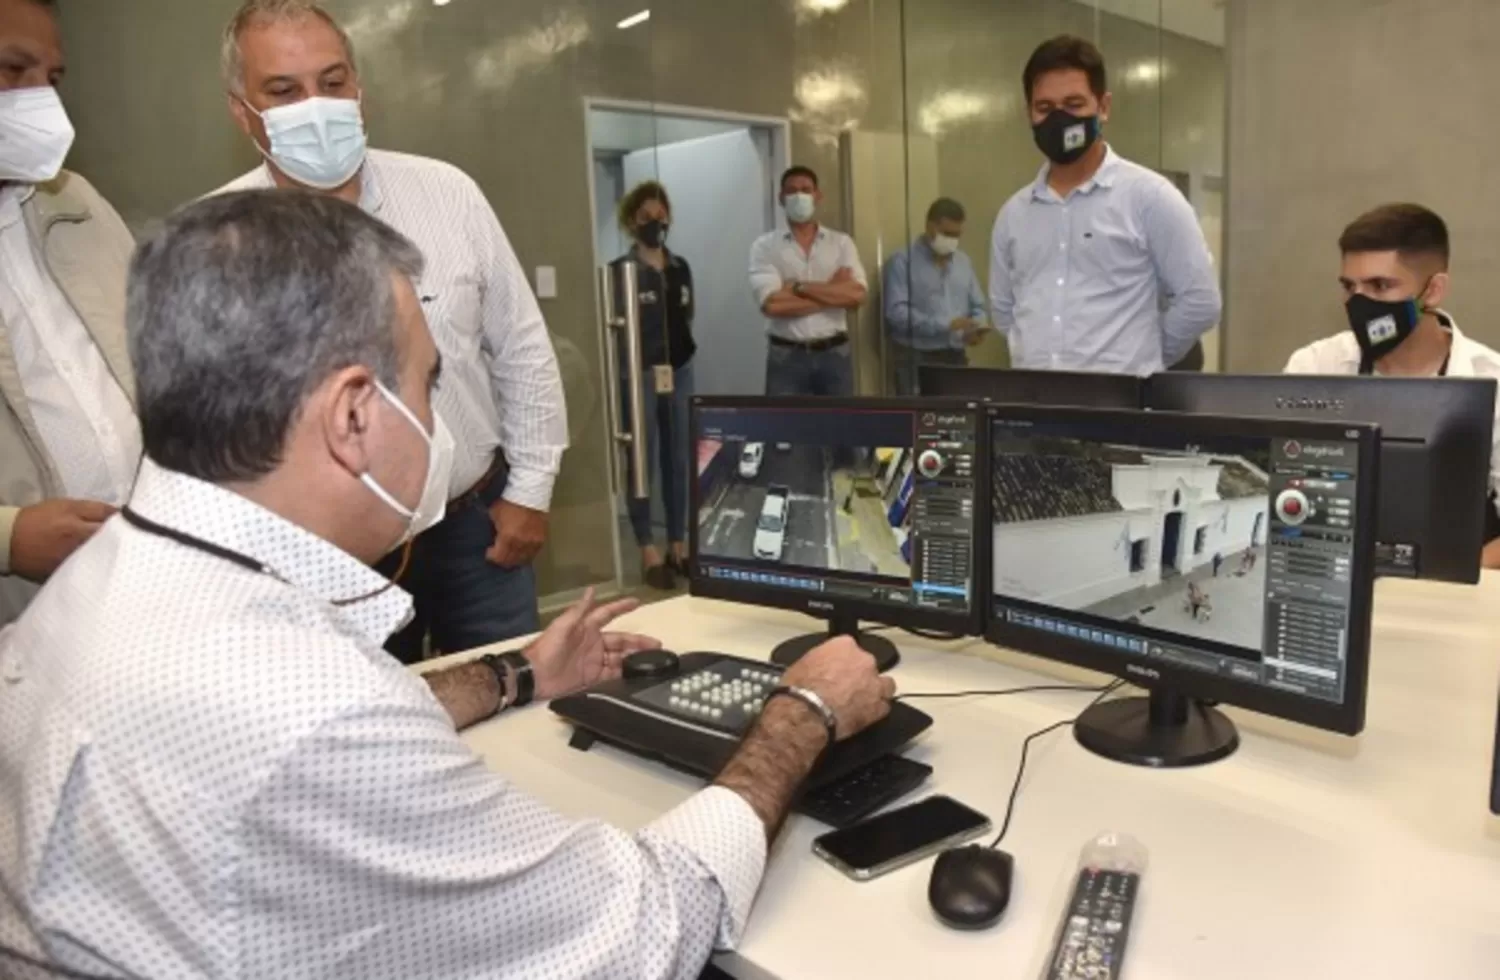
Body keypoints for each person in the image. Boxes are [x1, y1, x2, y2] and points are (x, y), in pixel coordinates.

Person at [0, 189, 896, 980]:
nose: (439, 422)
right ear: (354, 414)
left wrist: (518, 674)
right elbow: (646, 927)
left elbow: (286, 733)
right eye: (429, 383)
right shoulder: (319, 718)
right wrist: (802, 714)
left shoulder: (99, 582)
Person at [212, 0, 567, 661]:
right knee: (371, 722)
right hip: (327, 553)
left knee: (518, 699)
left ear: (359, 88)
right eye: (284, 91)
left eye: (332, 81)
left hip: (476, 529)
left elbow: (520, 346)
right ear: (243, 111)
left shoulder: (447, 193)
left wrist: (531, 491)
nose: (316, 106)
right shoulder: (215, 238)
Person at [0, 0, 142, 626]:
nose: (40, 100)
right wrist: (8, 538)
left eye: (51, 79)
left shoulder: (76, 200)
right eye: (12, 70)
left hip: (142, 582)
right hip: (24, 618)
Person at [989, 35, 1221, 376]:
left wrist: (1142, 358)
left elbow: (1200, 301)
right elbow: (1005, 313)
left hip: (1122, 405)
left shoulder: (1151, 198)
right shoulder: (1014, 214)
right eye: (1045, 108)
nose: (1059, 119)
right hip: (1033, 403)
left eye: (1074, 104)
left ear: (1103, 107)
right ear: (1029, 114)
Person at [1285, 203, 1500, 568]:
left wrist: (1448, 582)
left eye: (1380, 286)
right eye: (1349, 286)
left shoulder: (1491, 379)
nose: (1359, 303)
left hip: (1450, 582)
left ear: (1433, 290)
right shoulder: (1315, 366)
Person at [610, 180, 695, 591]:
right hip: (639, 373)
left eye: (661, 218)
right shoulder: (621, 271)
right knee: (642, 462)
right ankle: (647, 548)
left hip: (679, 371)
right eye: (646, 218)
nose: (655, 225)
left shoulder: (680, 268)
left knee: (678, 459)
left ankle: (678, 544)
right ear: (631, 222)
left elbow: (687, 316)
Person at [750, 165, 867, 396]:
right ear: (781, 198)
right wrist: (833, 292)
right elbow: (773, 305)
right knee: (784, 419)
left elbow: (857, 295)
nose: (799, 196)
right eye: (792, 191)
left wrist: (797, 287)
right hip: (786, 357)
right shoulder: (764, 246)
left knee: (840, 418)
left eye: (805, 190)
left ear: (817, 196)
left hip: (835, 354)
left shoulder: (841, 243)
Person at [883, 197, 988, 394]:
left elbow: (978, 305)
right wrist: (945, 324)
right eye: (947, 233)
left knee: (957, 411)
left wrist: (977, 327)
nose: (952, 240)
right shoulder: (903, 261)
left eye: (957, 235)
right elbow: (896, 313)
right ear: (930, 226)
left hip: (955, 356)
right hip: (915, 357)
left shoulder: (963, 262)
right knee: (919, 412)